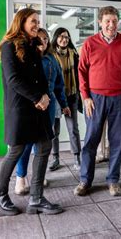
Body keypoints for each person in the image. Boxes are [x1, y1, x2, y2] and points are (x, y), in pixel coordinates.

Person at [0, 8, 62, 216]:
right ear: (21, 22)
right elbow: (14, 80)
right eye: (33, 21)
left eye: (38, 21)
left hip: (38, 107)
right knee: (16, 150)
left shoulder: (33, 46)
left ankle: (37, 198)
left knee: (44, 146)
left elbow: (39, 77)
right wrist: (37, 97)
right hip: (20, 109)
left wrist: (45, 96)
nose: (37, 24)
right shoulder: (7, 47)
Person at [74, 6, 121, 197]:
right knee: (91, 140)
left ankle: (113, 180)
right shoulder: (89, 44)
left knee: (117, 141)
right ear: (100, 22)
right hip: (95, 99)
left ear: (118, 22)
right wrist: (85, 97)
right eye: (107, 21)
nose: (111, 25)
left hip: (120, 98)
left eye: (114, 21)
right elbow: (82, 72)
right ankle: (85, 180)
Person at [14, 28, 70, 195]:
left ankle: (38, 176)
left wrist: (64, 104)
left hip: (49, 106)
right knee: (26, 143)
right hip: (30, 105)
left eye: (46, 39)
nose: (43, 42)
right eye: (39, 39)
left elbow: (59, 84)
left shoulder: (52, 59)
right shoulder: (26, 57)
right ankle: (20, 178)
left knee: (43, 144)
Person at [50, 27, 83, 171]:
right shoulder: (49, 55)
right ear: (56, 38)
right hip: (55, 97)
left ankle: (77, 157)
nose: (64, 40)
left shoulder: (74, 54)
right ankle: (55, 158)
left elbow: (79, 75)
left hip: (71, 94)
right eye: (62, 37)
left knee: (73, 128)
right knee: (54, 130)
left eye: (67, 37)